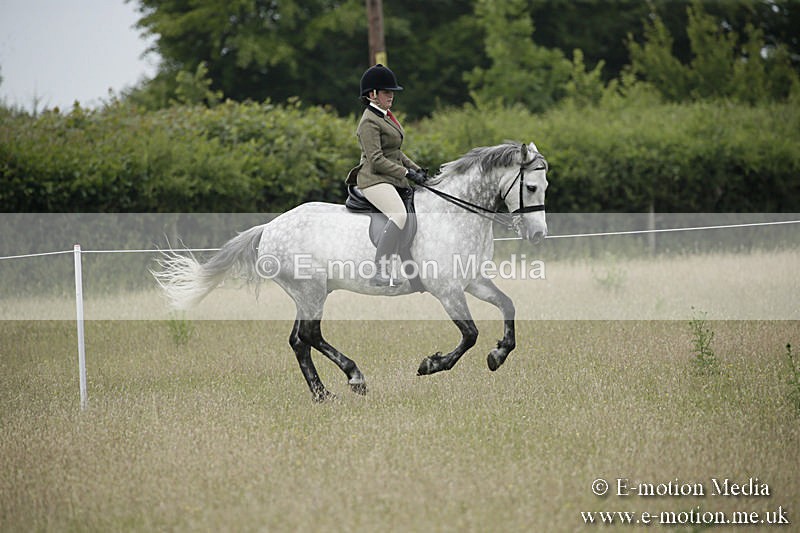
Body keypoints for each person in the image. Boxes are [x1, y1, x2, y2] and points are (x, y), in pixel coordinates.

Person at [346, 64, 428, 286]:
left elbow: (396, 152)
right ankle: (380, 270)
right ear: (372, 95)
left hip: (390, 177)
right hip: (373, 179)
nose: (391, 96)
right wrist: (407, 173)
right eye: (386, 92)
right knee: (399, 215)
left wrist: (417, 169)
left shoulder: (386, 116)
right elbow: (377, 159)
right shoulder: (368, 122)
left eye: (392, 92)